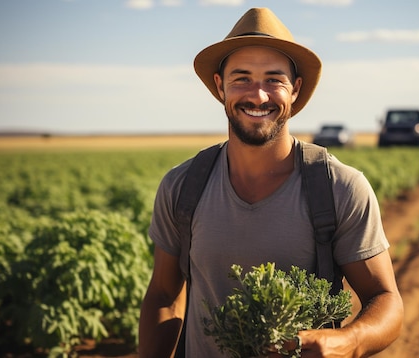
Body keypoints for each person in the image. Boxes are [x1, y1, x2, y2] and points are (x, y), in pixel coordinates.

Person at [139, 7, 403, 358]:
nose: (258, 95)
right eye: (242, 78)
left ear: (294, 89)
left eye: (273, 80)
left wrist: (347, 341)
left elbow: (385, 300)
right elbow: (163, 296)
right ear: (220, 87)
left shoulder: (340, 188)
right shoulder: (183, 186)